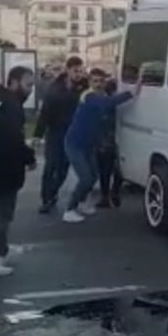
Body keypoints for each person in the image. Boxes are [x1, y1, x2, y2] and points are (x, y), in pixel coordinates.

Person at [63, 68, 138, 224]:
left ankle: (82, 204)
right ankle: (69, 209)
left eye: (101, 81)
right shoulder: (89, 96)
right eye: (95, 81)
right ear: (90, 82)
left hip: (89, 145)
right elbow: (107, 104)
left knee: (94, 175)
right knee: (85, 178)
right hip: (75, 144)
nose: (98, 84)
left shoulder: (102, 96)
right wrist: (132, 92)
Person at [33, 55, 86, 213]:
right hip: (55, 132)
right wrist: (38, 134)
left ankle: (53, 193)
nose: (79, 74)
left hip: (72, 134)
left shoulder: (84, 87)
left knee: (63, 168)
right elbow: (45, 113)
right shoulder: (55, 88)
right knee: (50, 167)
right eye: (76, 71)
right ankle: (46, 199)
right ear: (68, 70)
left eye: (81, 71)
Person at [0, 67, 36, 276]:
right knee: (3, 215)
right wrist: (28, 157)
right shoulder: (11, 106)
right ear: (13, 82)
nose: (30, 90)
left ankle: (2, 249)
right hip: (5, 169)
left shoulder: (4, 101)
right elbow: (13, 139)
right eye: (28, 84)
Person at [96, 78, 122, 208]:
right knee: (116, 169)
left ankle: (107, 195)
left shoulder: (105, 102)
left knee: (106, 171)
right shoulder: (112, 103)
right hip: (112, 141)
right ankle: (113, 193)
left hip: (106, 142)